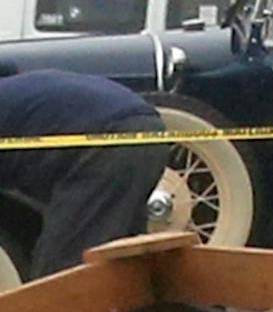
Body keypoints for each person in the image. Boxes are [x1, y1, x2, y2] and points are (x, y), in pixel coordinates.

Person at [0, 70, 168, 279]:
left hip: (107, 142)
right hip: (146, 127)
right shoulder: (14, 93)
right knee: (126, 263)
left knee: (64, 273)